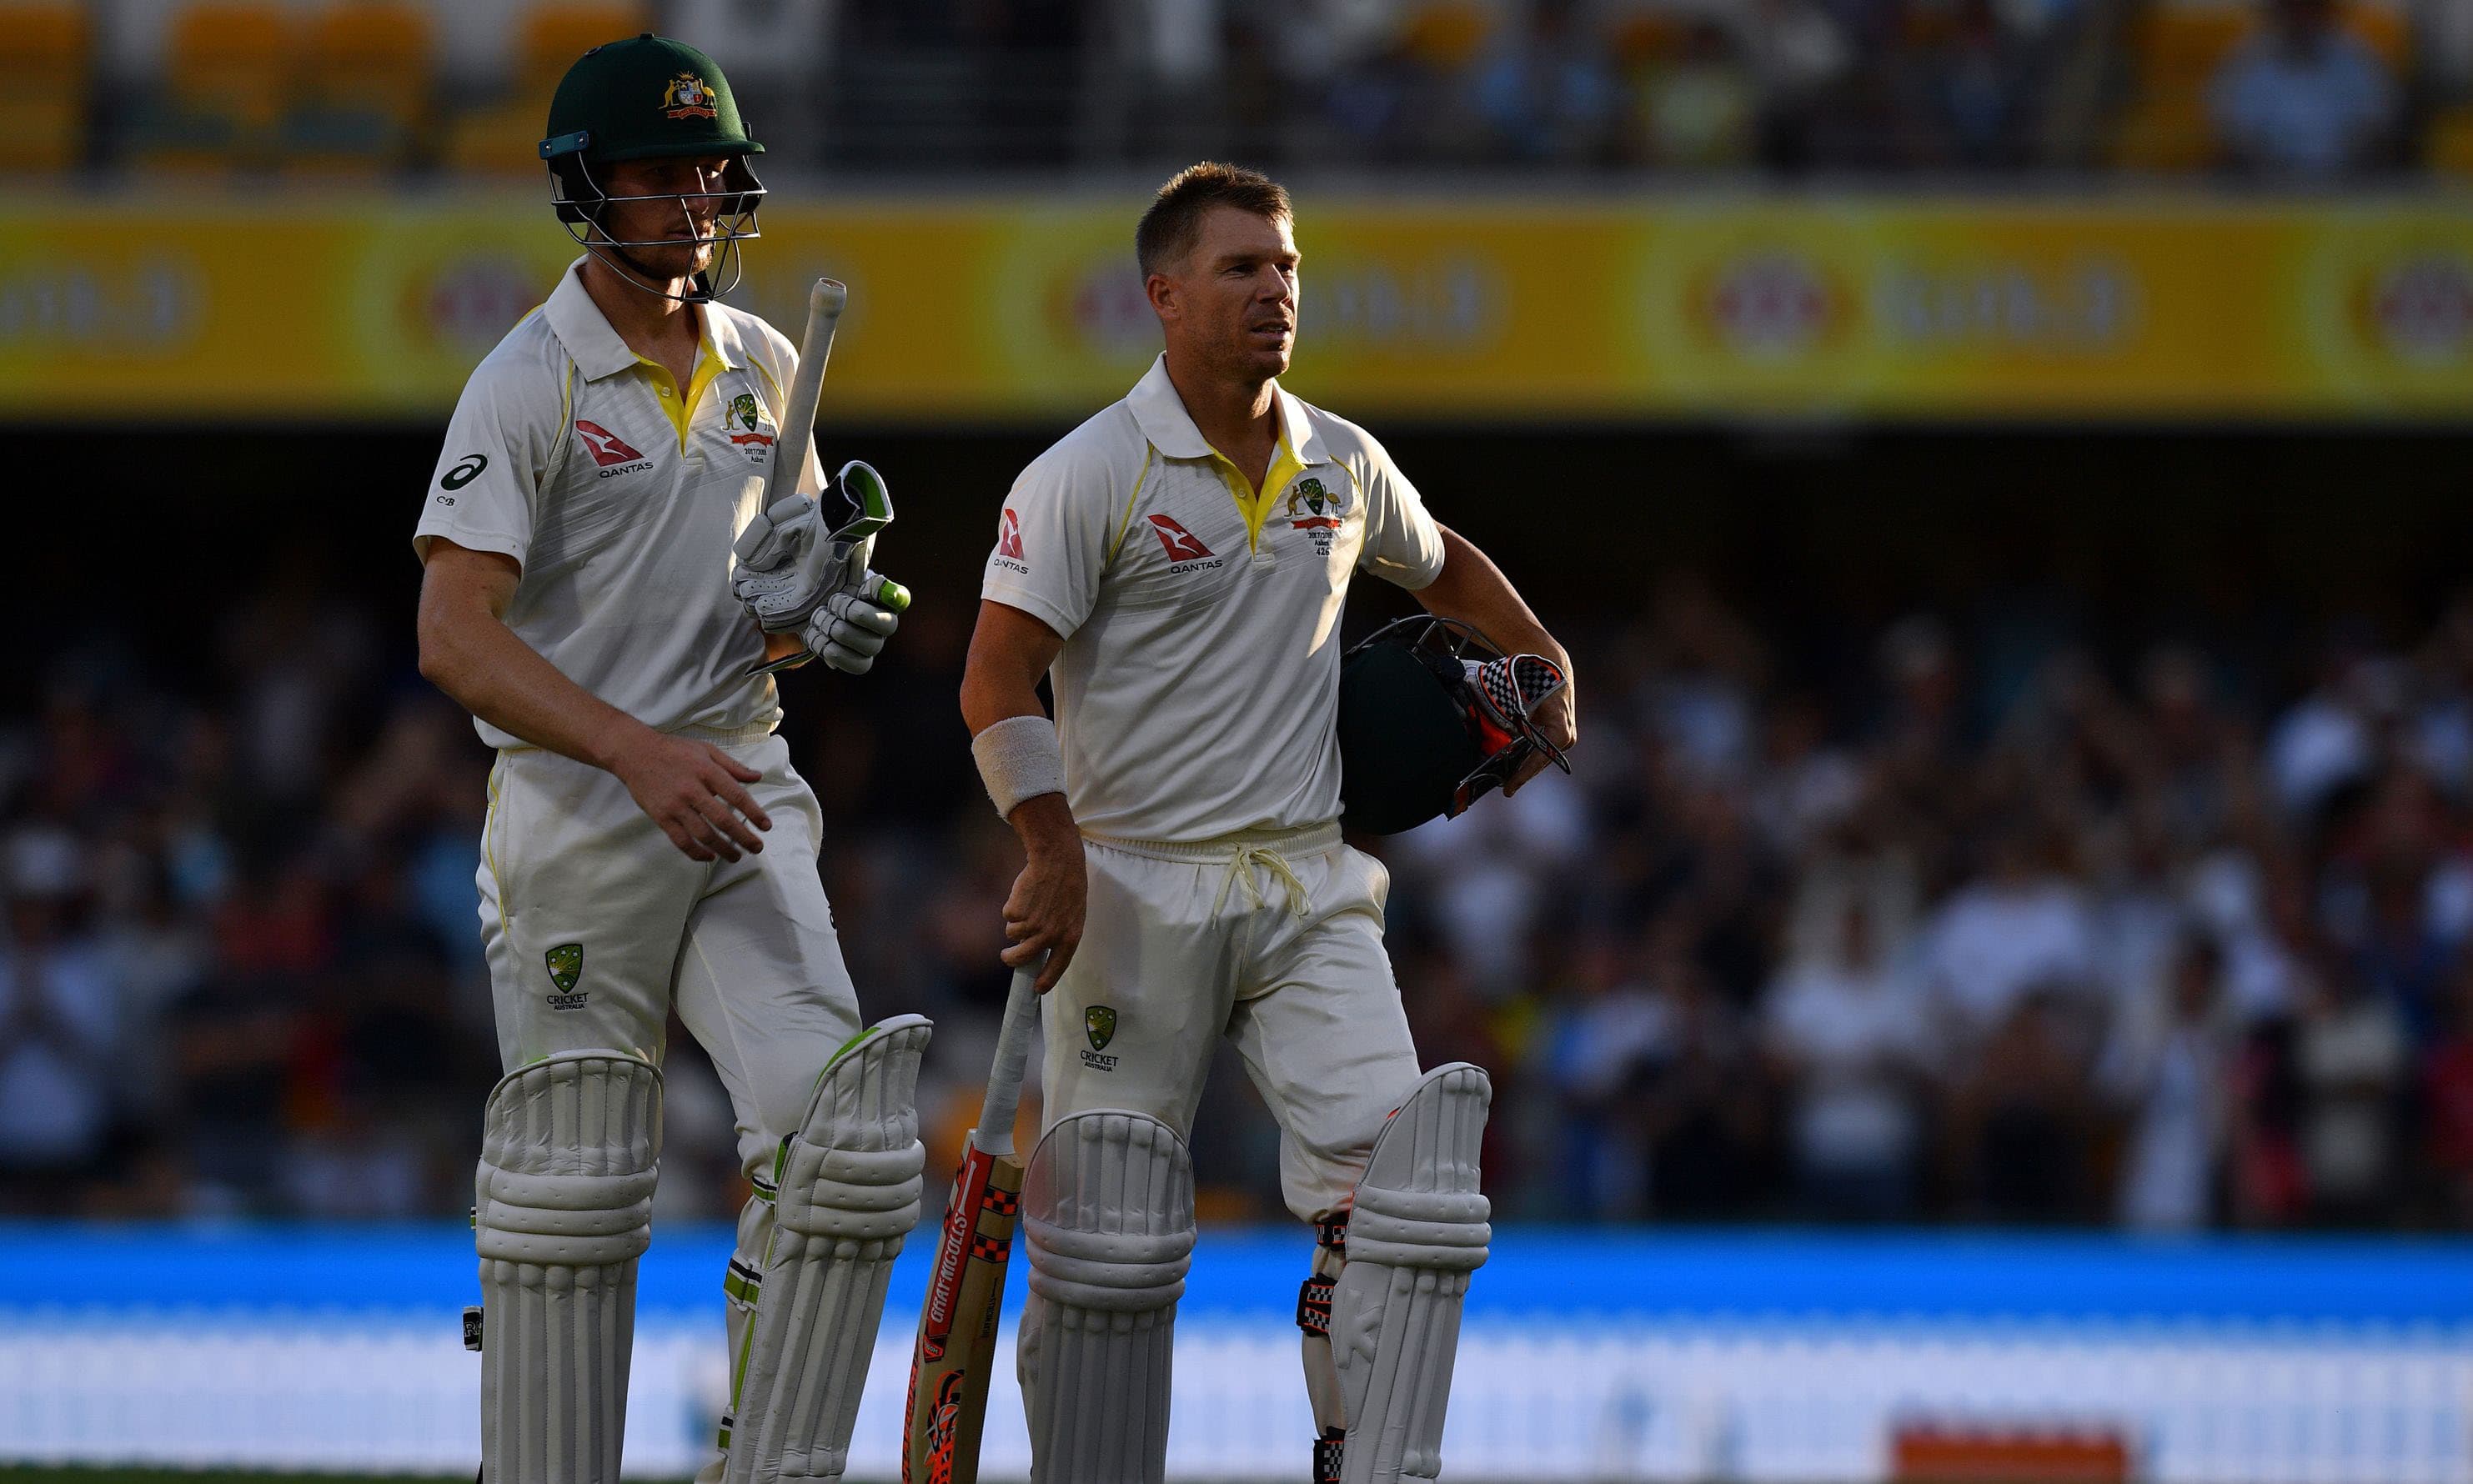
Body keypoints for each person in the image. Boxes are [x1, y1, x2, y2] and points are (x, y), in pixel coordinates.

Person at [959, 162, 1577, 1484]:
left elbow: (1438, 556)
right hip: (1130, 887)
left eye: (1286, 268)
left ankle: (1363, 1464)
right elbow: (993, 677)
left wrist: (1536, 649)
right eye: (1241, 269)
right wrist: (1051, 847)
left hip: (1308, 882)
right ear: (1164, 296)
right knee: (1106, 1242)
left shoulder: (1340, 460)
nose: (1273, 292)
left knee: (1401, 1198)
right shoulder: (1088, 473)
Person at [411, 34, 922, 1484]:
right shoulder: (529, 378)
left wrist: (816, 618)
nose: (695, 202)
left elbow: (774, 619)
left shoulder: (768, 362)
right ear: (584, 188)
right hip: (582, 810)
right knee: (572, 1198)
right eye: (658, 173)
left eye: (711, 171)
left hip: (741, 792)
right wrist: (634, 752)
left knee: (844, 1149)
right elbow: (454, 633)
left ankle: (766, 1465)